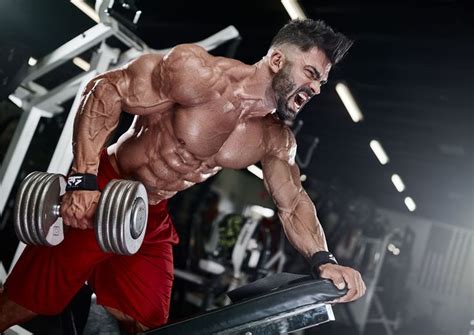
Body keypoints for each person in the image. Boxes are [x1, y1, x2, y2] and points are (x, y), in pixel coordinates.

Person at [0, 18, 366, 333]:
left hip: (150, 215)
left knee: (147, 319)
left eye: (321, 81)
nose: (316, 88)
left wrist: (325, 260)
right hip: (108, 188)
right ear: (275, 59)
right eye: (311, 73)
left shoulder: (274, 140)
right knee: (27, 300)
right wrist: (83, 180)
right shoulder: (199, 75)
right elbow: (106, 90)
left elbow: (293, 204)